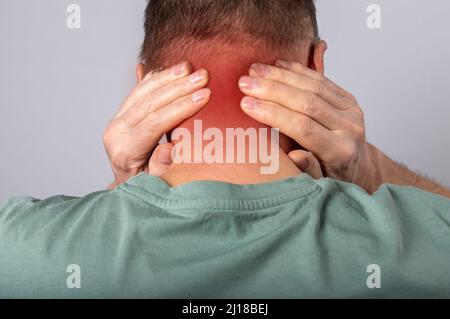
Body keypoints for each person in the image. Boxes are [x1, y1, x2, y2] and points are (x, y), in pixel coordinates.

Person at [0, 0, 449, 298]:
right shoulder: (428, 244)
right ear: (316, 67)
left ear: (143, 86)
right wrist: (366, 166)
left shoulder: (19, 247)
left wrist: (122, 189)